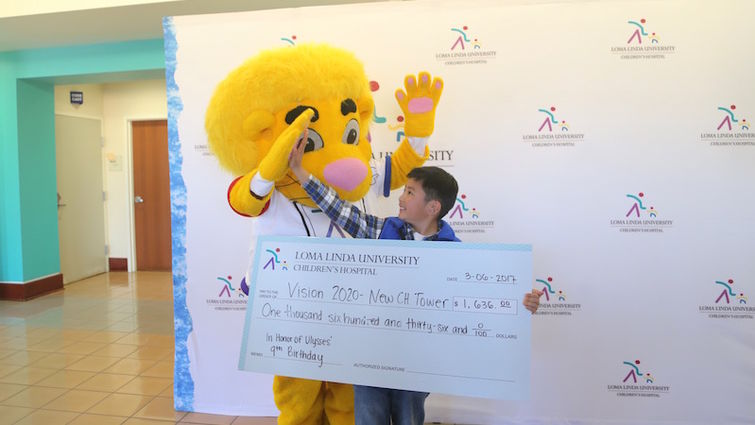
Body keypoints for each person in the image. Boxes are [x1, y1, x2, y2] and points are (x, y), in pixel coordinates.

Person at [289, 133, 542, 425]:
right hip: (371, 353)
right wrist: (299, 172)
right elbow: (339, 210)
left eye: (410, 192)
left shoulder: (455, 253)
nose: (400, 196)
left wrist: (522, 303)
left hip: (418, 364)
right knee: (369, 416)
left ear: (433, 207)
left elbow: (481, 305)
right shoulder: (383, 229)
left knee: (409, 418)